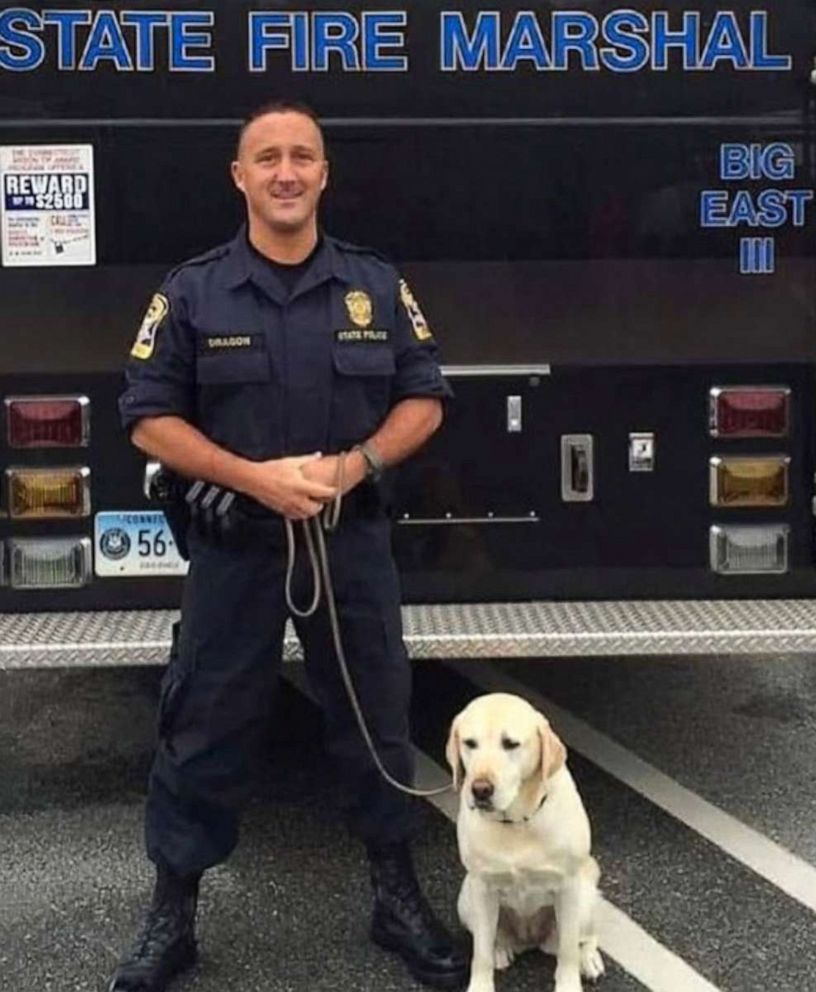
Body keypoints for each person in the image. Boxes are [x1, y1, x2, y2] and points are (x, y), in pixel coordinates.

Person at [108, 100, 468, 992]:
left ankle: (395, 899)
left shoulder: (373, 285)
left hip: (348, 547)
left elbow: (424, 399)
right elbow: (148, 420)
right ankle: (172, 916)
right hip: (237, 550)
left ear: (323, 174)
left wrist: (355, 465)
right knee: (202, 728)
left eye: (301, 156)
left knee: (377, 723)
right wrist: (252, 478)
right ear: (240, 177)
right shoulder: (193, 291)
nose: (285, 172)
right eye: (266, 157)